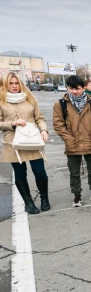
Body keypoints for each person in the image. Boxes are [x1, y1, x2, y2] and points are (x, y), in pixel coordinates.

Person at [0, 72, 50, 214]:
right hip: (13, 143)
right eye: (11, 83)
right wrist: (13, 123)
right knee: (20, 173)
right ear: (5, 84)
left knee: (40, 171)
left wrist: (44, 130)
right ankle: (28, 202)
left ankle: (44, 198)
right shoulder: (1, 101)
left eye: (17, 83)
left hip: (32, 139)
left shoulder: (30, 98)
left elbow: (39, 118)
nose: (15, 86)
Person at [52, 75, 91, 207]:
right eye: (71, 88)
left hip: (90, 142)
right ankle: (77, 195)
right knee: (74, 172)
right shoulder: (60, 104)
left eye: (77, 88)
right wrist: (68, 139)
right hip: (72, 143)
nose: (74, 91)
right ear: (67, 88)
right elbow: (58, 124)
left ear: (83, 88)